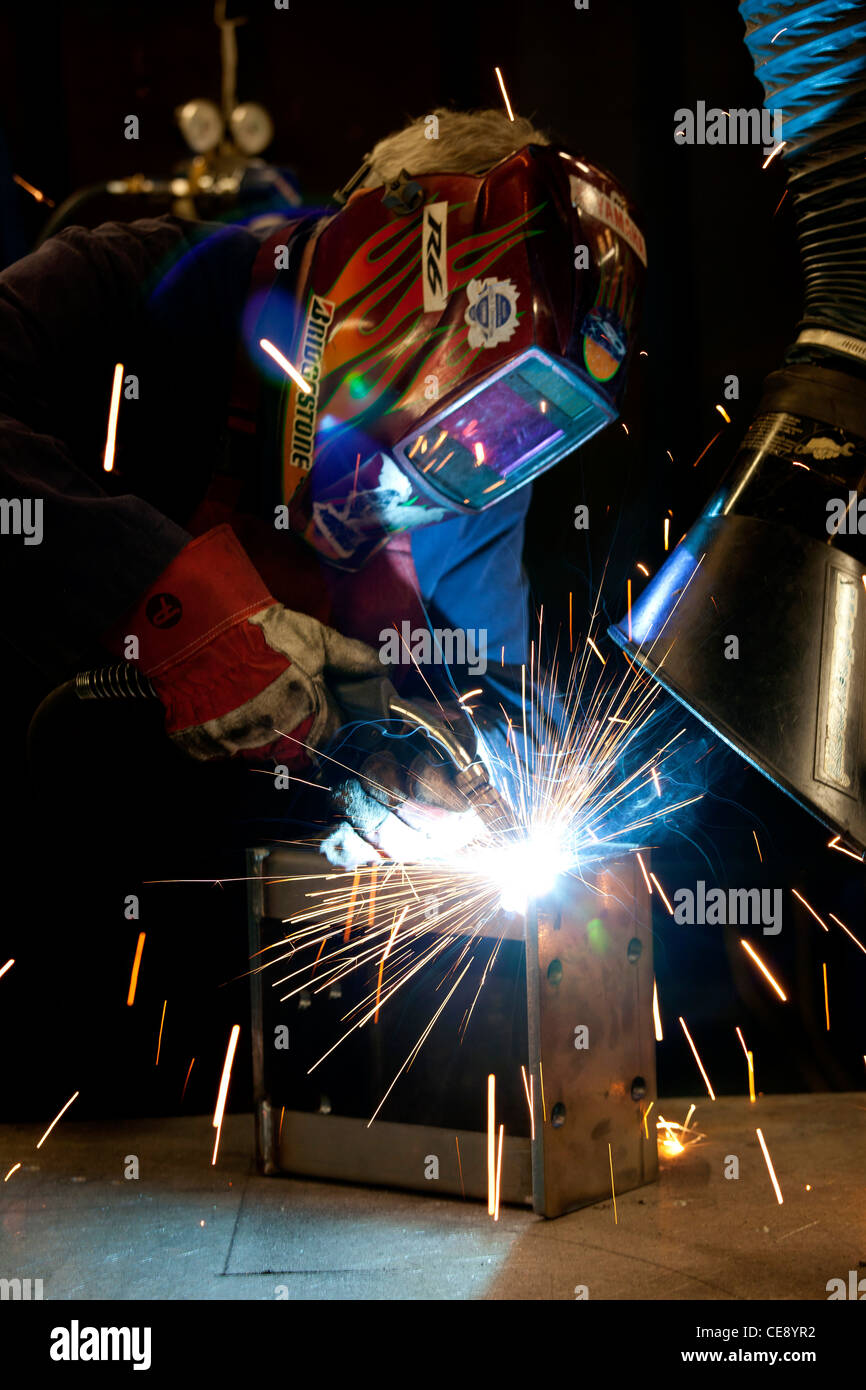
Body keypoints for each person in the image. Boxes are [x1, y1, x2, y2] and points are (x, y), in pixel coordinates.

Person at [0, 108, 645, 863]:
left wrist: (421, 767)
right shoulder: (131, 286)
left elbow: (494, 701)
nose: (466, 465)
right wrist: (183, 614)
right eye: (476, 404)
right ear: (402, 243)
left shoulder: (477, 478)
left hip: (189, 897)